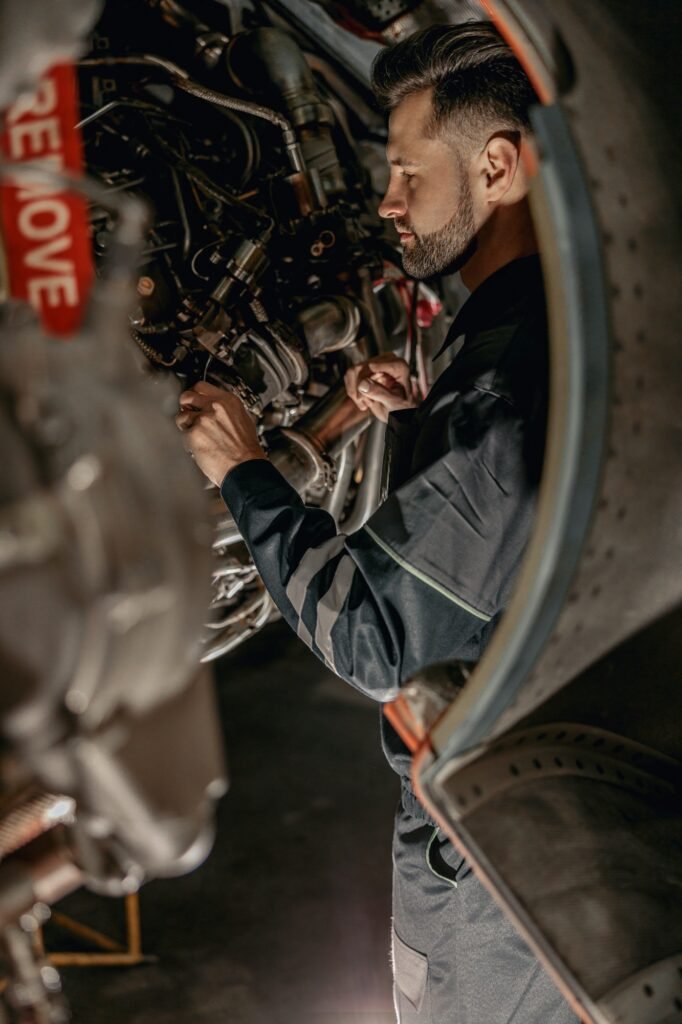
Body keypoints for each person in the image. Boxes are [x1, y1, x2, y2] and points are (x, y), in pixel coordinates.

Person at [176, 22, 578, 1024]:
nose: (389, 203)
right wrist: (410, 424)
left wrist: (245, 471)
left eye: (406, 172)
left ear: (497, 164)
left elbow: (376, 637)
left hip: (492, 868)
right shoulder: (546, 327)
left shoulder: (500, 378)